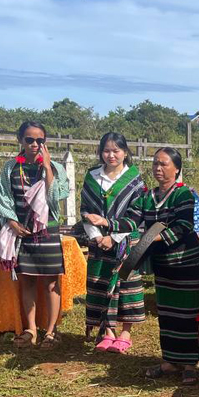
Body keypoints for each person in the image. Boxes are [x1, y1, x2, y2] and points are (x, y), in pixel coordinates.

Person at [127, 148, 199, 385]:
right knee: (167, 313)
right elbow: (131, 220)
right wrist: (108, 224)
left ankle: (190, 365)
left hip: (186, 262)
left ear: (177, 168)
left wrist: (151, 238)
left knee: (187, 314)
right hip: (163, 263)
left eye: (163, 164)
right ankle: (170, 361)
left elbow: (184, 226)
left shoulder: (184, 195)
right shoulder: (147, 197)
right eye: (155, 164)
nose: (158, 168)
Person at [0, 120, 71, 348]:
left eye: (40, 140)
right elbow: (4, 197)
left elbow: (57, 196)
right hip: (23, 231)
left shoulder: (55, 167)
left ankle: (52, 330)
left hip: (48, 231)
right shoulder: (10, 168)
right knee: (26, 280)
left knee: (51, 282)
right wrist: (11, 222)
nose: (35, 144)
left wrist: (47, 168)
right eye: (29, 139)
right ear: (20, 140)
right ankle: (30, 329)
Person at [77, 132, 146, 354]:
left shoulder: (134, 180)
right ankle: (108, 331)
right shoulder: (92, 177)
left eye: (116, 150)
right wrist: (97, 237)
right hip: (98, 242)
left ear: (125, 152)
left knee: (125, 286)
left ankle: (125, 333)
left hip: (125, 241)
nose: (111, 155)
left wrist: (113, 236)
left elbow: (137, 214)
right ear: (101, 152)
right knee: (101, 281)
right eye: (106, 150)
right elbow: (85, 211)